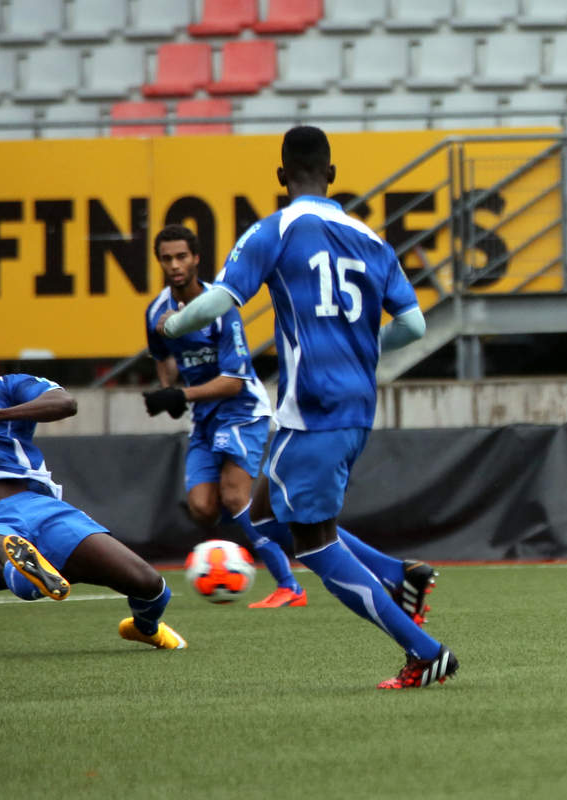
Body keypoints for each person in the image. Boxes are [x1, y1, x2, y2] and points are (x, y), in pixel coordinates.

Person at [156, 125, 456, 688]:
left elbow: (222, 299)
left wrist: (174, 323)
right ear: (334, 176)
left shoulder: (276, 230)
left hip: (313, 408)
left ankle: (425, 652)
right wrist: (368, 351)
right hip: (354, 404)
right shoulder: (371, 238)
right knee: (268, 513)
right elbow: (413, 325)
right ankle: (400, 576)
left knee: (314, 545)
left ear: (280, 176)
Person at [0, 337, 186, 649]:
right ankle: (24, 572)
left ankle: (144, 626)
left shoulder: (6, 391)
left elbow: (66, 403)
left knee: (150, 585)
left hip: (40, 509)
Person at [143, 223, 307, 609]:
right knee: (202, 506)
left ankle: (290, 585)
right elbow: (163, 356)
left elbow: (233, 382)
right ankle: (282, 532)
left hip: (241, 409)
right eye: (167, 258)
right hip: (204, 415)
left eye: (182, 256)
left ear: (196, 258)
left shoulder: (220, 308)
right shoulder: (156, 311)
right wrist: (169, 393)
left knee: (235, 497)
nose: (175, 265)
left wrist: (179, 393)